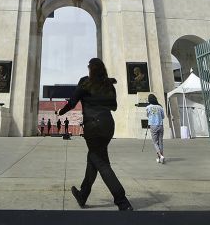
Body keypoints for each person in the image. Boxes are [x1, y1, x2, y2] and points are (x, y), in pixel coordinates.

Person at [57, 57, 133, 211]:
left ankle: (122, 200)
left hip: (93, 126)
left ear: (90, 68)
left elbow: (72, 102)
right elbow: (114, 106)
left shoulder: (85, 82)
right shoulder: (108, 84)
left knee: (100, 161)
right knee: (94, 158)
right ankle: (82, 195)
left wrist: (60, 111)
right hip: (108, 126)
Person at [146, 94, 166, 163]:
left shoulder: (148, 107)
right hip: (160, 125)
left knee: (155, 142)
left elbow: (148, 116)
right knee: (160, 142)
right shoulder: (160, 107)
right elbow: (163, 116)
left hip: (153, 125)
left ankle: (160, 156)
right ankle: (161, 157)